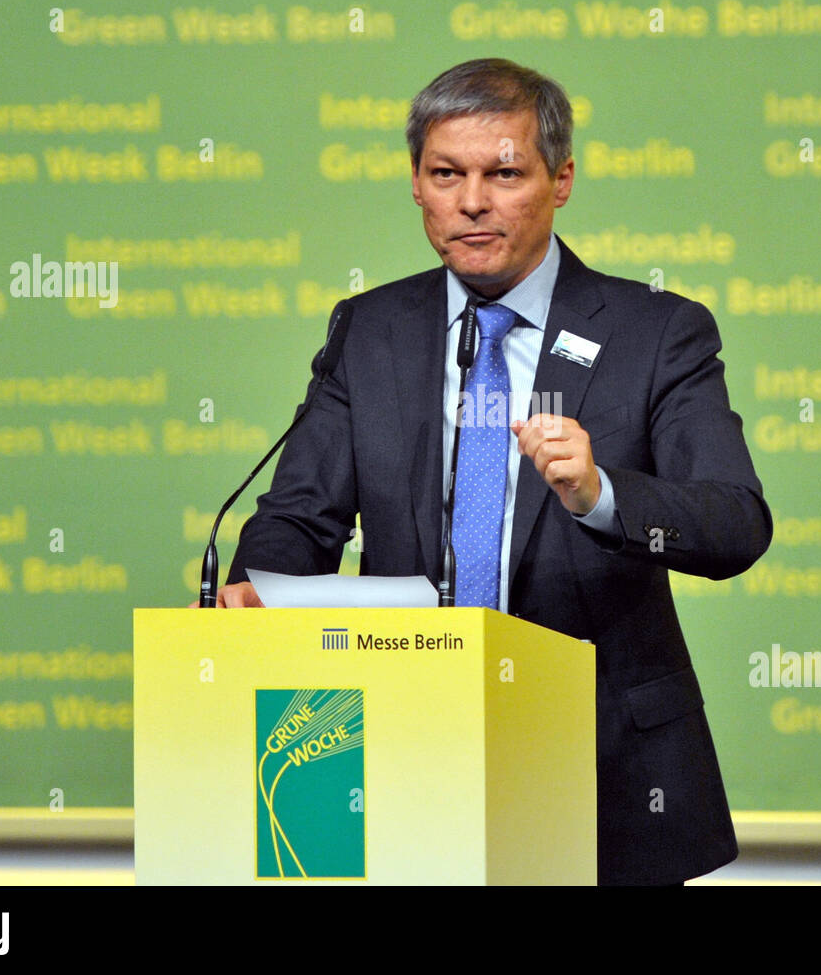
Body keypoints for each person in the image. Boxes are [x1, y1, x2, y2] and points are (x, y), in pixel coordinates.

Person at [216, 58, 773, 885]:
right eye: (446, 174)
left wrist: (602, 495)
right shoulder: (369, 331)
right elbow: (301, 513)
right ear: (416, 184)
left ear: (561, 179)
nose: (471, 201)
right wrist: (262, 589)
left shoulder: (657, 332)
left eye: (503, 172)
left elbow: (734, 522)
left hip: (600, 767)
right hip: (403, 754)